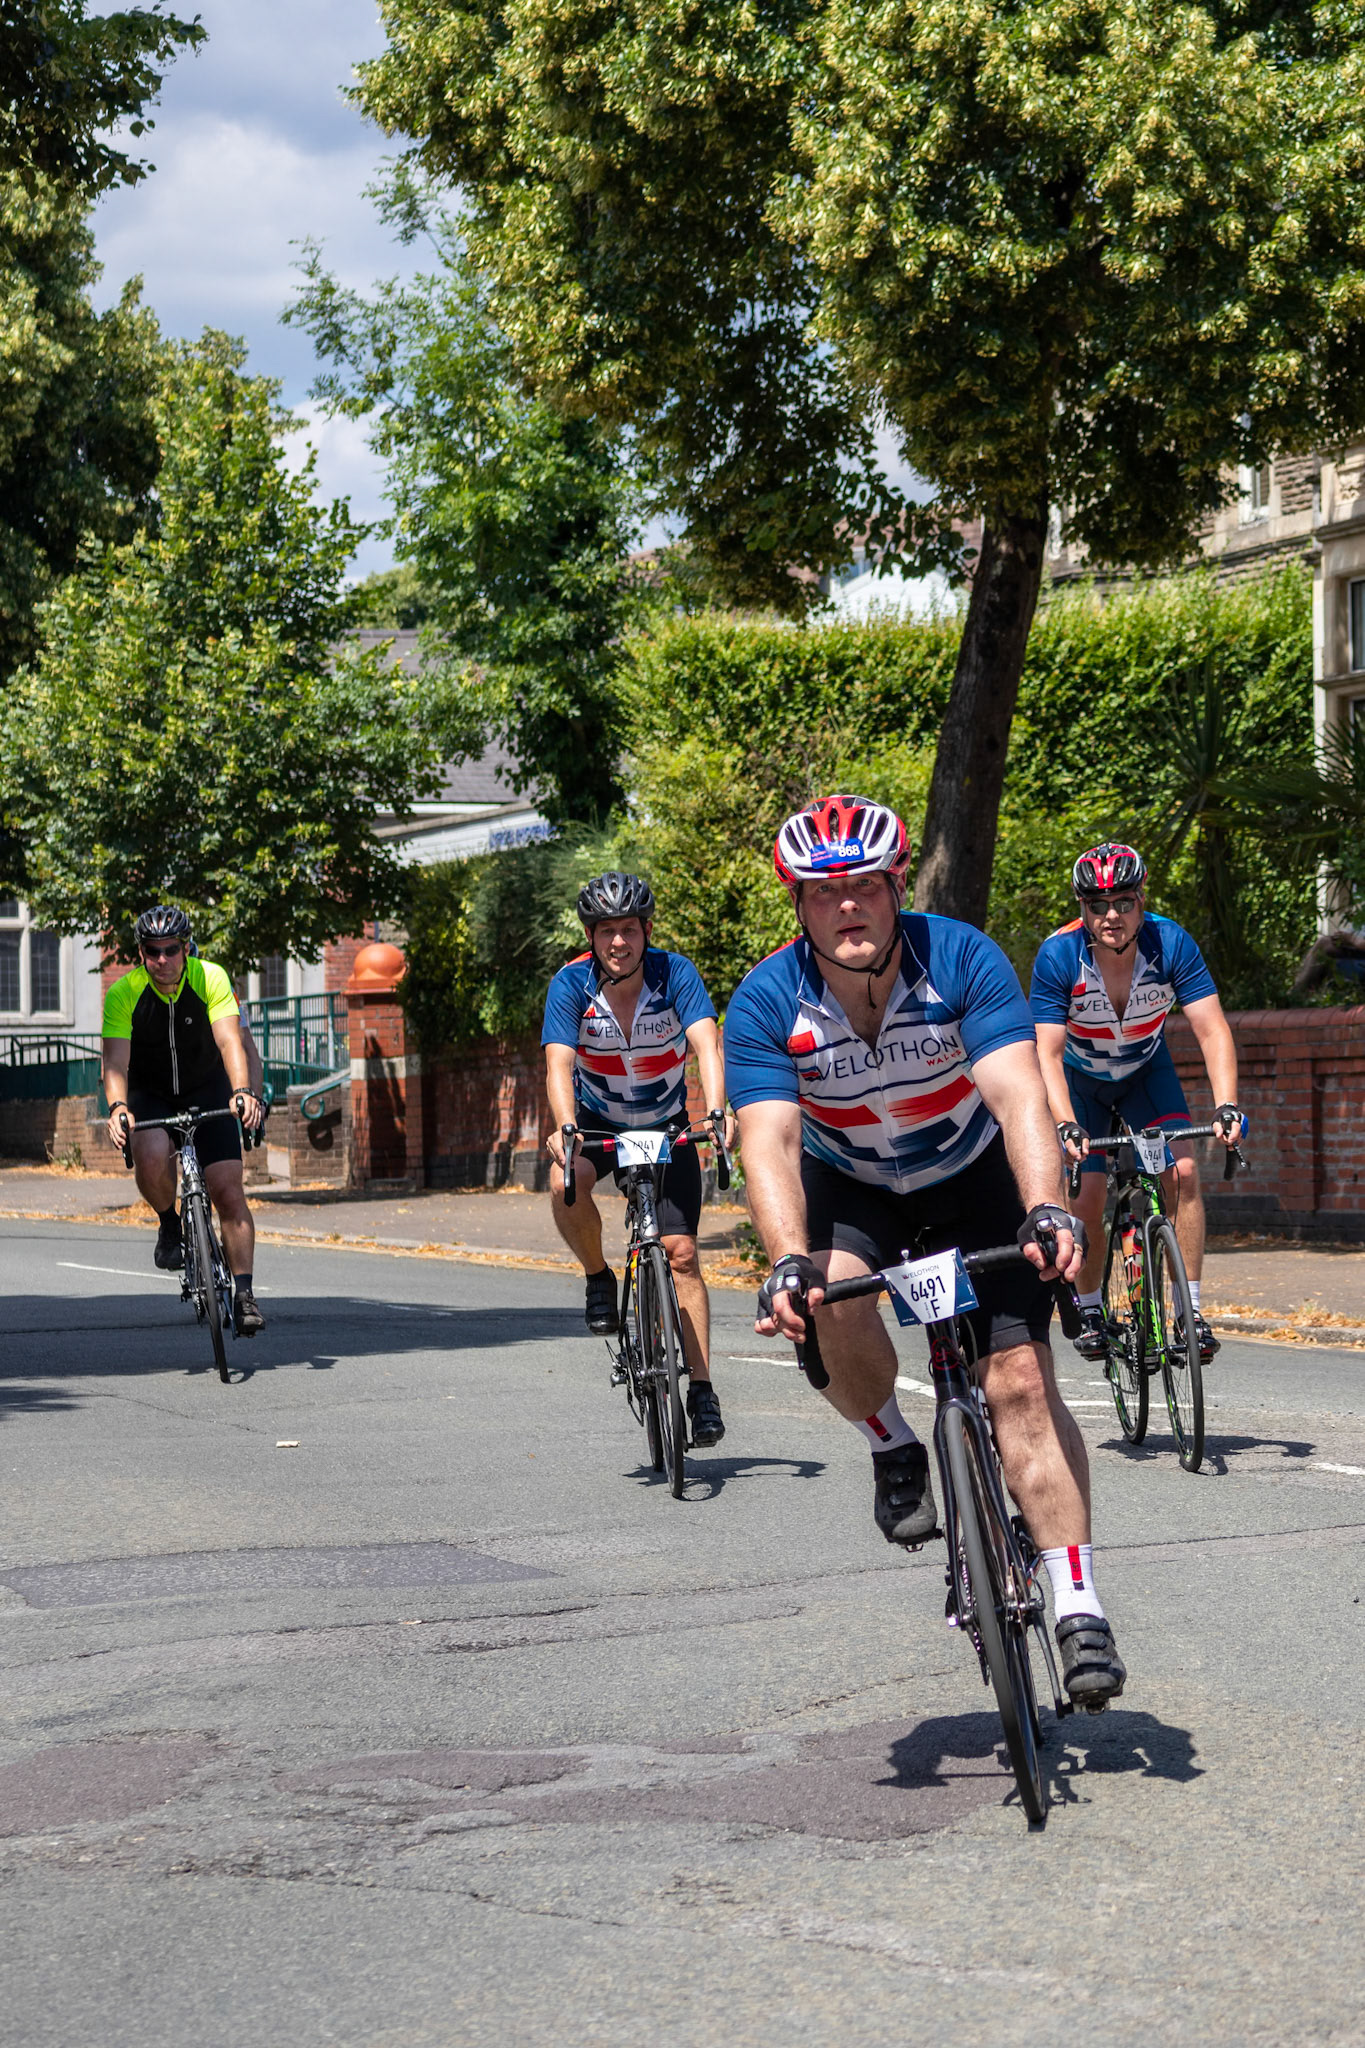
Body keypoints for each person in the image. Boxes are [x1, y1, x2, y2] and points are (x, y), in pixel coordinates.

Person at [723, 796, 1125, 1707]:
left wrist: (1045, 1211)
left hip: (971, 1177)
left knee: (1020, 1385)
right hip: (853, 1187)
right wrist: (786, 1257)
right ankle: (892, 1442)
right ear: (797, 905)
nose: (849, 906)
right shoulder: (764, 1000)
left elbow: (1018, 1095)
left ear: (897, 885)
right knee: (828, 1295)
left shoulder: (961, 960)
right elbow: (769, 1141)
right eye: (825, 893)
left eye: (867, 885)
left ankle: (1075, 1602)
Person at [1029, 844, 1241, 1364]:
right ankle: (1093, 1308)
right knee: (1090, 1195)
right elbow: (1048, 1055)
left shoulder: (1170, 943)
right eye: (1098, 905)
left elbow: (1212, 1031)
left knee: (1185, 1171)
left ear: (1141, 899)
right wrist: (1065, 1124)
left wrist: (1227, 1106)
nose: (1112, 916)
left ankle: (1187, 1311)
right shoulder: (1059, 957)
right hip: (1082, 1081)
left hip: (1146, 1071)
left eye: (1124, 902)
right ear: (1082, 909)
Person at [542, 871, 731, 1448]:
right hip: (597, 1121)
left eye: (629, 929)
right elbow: (558, 1064)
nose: (618, 941)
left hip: (666, 1125)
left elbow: (706, 1044)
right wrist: (565, 1128)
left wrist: (718, 1113)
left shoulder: (676, 975)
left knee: (681, 1254)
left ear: (646, 931)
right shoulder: (572, 985)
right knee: (562, 1177)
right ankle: (599, 1276)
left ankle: (701, 1389)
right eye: (606, 932)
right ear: (591, 937)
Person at [101, 905, 268, 1335]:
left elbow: (232, 1041)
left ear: (186, 947)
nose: (161, 960)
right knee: (152, 1150)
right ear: (141, 953)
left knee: (229, 1190)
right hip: (151, 1093)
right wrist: (118, 1108)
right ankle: (169, 1223)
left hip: (207, 1086)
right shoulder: (123, 993)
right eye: (152, 951)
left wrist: (244, 1092)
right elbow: (115, 1063)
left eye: (170, 950)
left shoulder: (210, 977)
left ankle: (245, 1294)